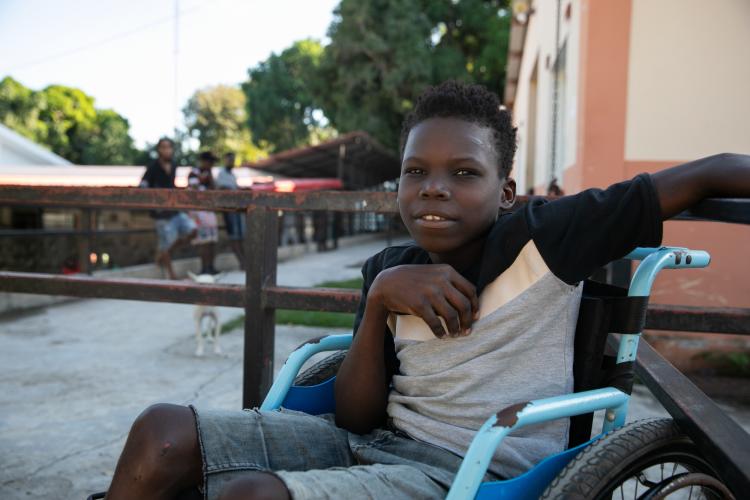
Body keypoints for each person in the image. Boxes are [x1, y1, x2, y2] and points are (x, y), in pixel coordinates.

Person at [107, 81, 750, 500]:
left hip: (468, 468)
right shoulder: (392, 266)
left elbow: (707, 174)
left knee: (252, 495)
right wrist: (382, 298)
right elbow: (356, 416)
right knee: (161, 430)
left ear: (505, 192)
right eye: (415, 172)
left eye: (463, 172)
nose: (433, 188)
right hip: (372, 439)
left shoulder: (544, 236)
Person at [140, 137, 197, 280]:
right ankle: (171, 275)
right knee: (165, 242)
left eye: (169, 147)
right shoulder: (152, 167)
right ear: (159, 149)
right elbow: (143, 185)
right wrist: (154, 200)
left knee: (193, 230)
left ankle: (161, 255)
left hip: (174, 210)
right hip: (160, 214)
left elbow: (171, 186)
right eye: (163, 147)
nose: (166, 150)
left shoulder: (174, 165)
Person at [188, 151, 220, 275]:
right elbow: (195, 191)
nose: (211, 165)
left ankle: (210, 267)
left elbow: (214, 190)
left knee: (212, 240)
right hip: (198, 211)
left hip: (209, 211)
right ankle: (204, 268)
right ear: (204, 161)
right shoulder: (194, 173)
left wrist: (209, 177)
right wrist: (204, 179)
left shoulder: (209, 174)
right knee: (203, 240)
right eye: (210, 162)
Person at [215, 152, 246, 270]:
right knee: (234, 236)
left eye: (233, 160)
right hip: (229, 210)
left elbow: (235, 189)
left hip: (237, 209)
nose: (231, 162)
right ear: (225, 160)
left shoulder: (233, 175)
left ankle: (243, 261)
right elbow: (221, 189)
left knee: (240, 236)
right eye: (230, 160)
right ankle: (241, 262)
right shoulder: (221, 174)